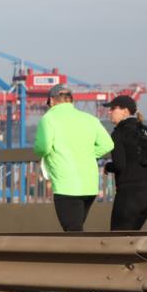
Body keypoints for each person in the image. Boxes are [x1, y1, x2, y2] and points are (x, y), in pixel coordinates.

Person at [76, 96, 147, 292]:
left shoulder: (119, 134)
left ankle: (99, 287)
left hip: (129, 194)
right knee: (130, 240)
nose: (109, 112)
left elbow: (121, 165)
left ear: (125, 111)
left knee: (115, 242)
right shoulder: (144, 131)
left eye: (112, 109)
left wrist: (109, 167)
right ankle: (136, 282)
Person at [34, 84, 114, 232]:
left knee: (72, 232)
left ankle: (86, 255)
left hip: (66, 184)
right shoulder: (90, 119)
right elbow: (108, 144)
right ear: (71, 100)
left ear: (51, 101)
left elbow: (43, 147)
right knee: (77, 228)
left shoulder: (49, 119)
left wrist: (43, 152)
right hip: (89, 185)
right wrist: (88, 154)